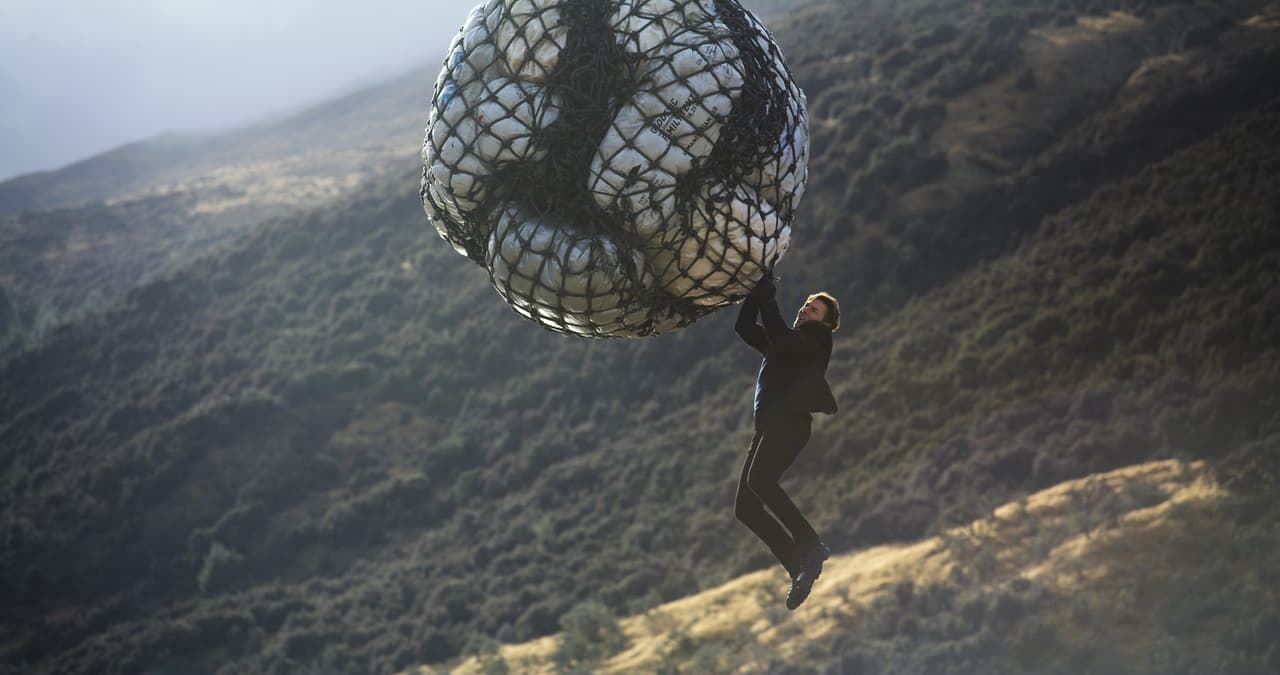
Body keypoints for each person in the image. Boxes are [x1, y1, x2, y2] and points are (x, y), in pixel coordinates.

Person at [734, 275, 840, 610]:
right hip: (770, 427)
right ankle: (799, 567)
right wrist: (756, 293)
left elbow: (779, 334)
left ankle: (810, 545)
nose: (807, 310)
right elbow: (745, 327)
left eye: (815, 309)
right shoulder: (789, 344)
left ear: (825, 324)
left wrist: (768, 297)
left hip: (790, 423)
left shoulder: (815, 340)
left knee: (759, 482)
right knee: (746, 507)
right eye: (807, 304)